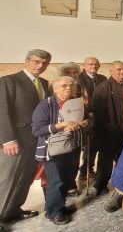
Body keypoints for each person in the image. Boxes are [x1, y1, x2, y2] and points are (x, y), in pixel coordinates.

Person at [0, 49, 51, 229]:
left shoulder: (44, 83)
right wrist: (7, 139)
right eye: (36, 62)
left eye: (44, 63)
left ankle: (13, 210)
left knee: (26, 178)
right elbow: (2, 112)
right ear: (26, 61)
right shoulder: (9, 81)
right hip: (15, 141)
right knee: (8, 179)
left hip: (35, 140)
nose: (40, 66)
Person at [32, 76, 89, 225]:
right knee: (56, 181)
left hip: (71, 147)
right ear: (55, 88)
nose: (69, 88)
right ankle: (54, 213)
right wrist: (62, 125)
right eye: (64, 86)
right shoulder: (46, 104)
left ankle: (58, 207)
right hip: (52, 150)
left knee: (66, 179)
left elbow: (88, 118)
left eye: (72, 85)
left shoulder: (77, 102)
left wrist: (85, 122)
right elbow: (36, 130)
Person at [91, 61, 123, 195]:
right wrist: (106, 129)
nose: (122, 72)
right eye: (118, 70)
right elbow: (98, 112)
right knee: (106, 159)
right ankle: (101, 184)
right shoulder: (103, 87)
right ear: (111, 71)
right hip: (109, 131)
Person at [78, 56, 107, 179]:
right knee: (88, 145)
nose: (93, 67)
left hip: (102, 116)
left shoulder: (103, 79)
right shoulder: (79, 80)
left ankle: (91, 169)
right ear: (84, 65)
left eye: (96, 64)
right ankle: (85, 170)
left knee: (97, 144)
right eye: (90, 64)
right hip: (86, 116)